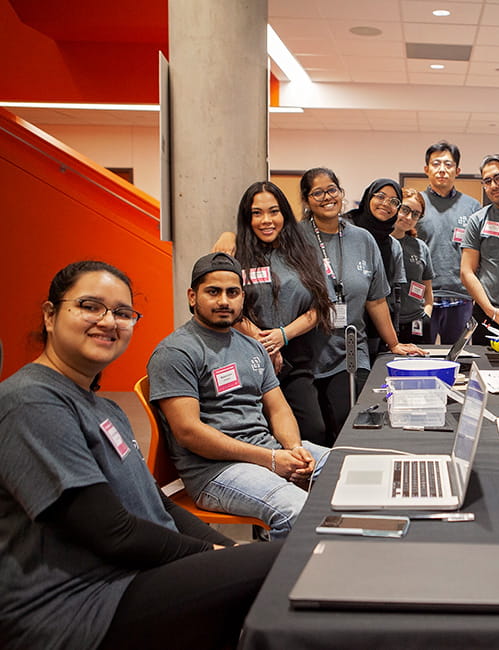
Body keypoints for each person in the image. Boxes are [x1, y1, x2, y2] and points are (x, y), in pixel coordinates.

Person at [0, 261, 280, 650]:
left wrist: (227, 551)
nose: (108, 321)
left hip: (136, 576)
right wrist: (209, 553)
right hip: (82, 605)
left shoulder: (106, 408)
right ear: (50, 316)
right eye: (90, 306)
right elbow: (111, 531)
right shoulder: (31, 401)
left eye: (122, 312)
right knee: (288, 562)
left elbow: (158, 505)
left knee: (266, 574)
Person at [147, 252, 330, 539]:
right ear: (192, 297)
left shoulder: (252, 346)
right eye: (213, 292)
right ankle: (281, 583)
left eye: (232, 293)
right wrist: (270, 459)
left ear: (242, 297)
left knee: (351, 472)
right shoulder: (176, 352)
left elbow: (278, 408)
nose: (223, 301)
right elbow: (188, 432)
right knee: (298, 512)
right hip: (215, 472)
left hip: (266, 452)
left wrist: (293, 449)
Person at [298, 168, 424, 444]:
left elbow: (376, 299)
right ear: (306, 200)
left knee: (355, 425)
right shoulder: (294, 238)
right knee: (315, 433)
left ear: (342, 194)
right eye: (317, 192)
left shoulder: (363, 239)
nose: (327, 197)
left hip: (350, 352)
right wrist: (229, 237)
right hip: (304, 354)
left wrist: (394, 344)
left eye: (332, 190)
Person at [231, 181, 334, 447]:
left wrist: (282, 336)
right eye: (257, 213)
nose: (266, 220)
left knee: (314, 430)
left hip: (296, 358)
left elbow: (320, 308)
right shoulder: (235, 255)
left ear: (284, 215)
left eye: (273, 211)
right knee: (262, 436)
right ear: (247, 217)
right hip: (249, 360)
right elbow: (228, 307)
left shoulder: (303, 253)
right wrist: (264, 340)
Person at [417, 140, 482, 343]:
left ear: (457, 170)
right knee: (420, 355)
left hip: (461, 296)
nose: (442, 170)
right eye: (436, 164)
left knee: (457, 357)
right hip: (422, 297)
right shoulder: (415, 204)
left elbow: (479, 253)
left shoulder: (472, 207)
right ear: (426, 169)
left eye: (448, 164)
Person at [460, 154, 499, 346]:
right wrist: (492, 311)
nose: (494, 185)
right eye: (487, 181)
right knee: (484, 368)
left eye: (498, 178)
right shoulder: (478, 220)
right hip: (487, 312)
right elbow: (466, 271)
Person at [343, 178, 408, 360]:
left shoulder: (392, 245)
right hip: (338, 328)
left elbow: (390, 296)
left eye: (394, 201)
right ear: (368, 197)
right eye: (380, 196)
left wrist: (392, 341)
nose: (386, 204)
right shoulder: (345, 230)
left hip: (373, 328)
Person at [393, 187, 435, 344]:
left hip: (417, 323)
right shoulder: (377, 243)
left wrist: (427, 314)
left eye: (416, 214)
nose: (409, 217)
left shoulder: (420, 247)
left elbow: (428, 290)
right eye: (405, 210)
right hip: (386, 324)